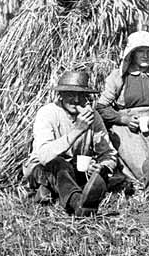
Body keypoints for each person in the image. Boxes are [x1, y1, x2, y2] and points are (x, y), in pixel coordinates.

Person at [22, 71, 117, 216]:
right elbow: (44, 155)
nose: (76, 100)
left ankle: (49, 191)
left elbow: (108, 154)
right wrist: (77, 130)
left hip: (75, 169)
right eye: (70, 94)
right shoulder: (47, 113)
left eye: (81, 95)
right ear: (60, 95)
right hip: (43, 168)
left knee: (118, 180)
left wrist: (100, 168)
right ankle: (78, 203)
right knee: (58, 164)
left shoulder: (93, 117)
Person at [96, 30, 149, 181]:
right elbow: (101, 108)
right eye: (140, 51)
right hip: (129, 129)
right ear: (132, 54)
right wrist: (123, 119)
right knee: (145, 170)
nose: (145, 56)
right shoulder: (119, 76)